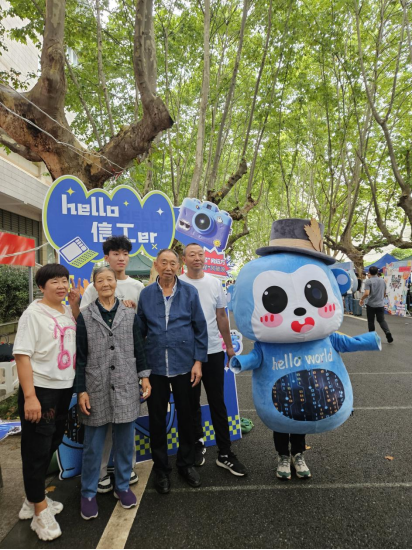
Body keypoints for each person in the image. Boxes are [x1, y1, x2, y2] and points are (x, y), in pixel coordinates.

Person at [75, 267, 151, 520]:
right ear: (94, 285)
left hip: (126, 384)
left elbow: (140, 348)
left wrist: (144, 377)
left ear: (115, 283)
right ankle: (88, 493)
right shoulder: (85, 316)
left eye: (109, 279)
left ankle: (122, 486)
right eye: (100, 280)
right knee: (93, 445)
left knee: (125, 441)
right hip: (95, 386)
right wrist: (81, 390)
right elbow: (80, 358)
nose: (106, 283)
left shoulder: (129, 314)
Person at [13, 264, 81, 541]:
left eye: (64, 280)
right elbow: (22, 355)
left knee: (52, 441)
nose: (62, 285)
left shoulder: (65, 311)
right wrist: (30, 397)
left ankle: (32, 498)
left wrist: (75, 307)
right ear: (42, 287)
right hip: (41, 390)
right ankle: (39, 512)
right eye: (54, 281)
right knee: (37, 449)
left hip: (64, 388)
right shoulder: (33, 314)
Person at [137, 249, 208, 494]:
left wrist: (198, 362)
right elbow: (140, 333)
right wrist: (143, 372)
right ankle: (161, 469)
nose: (168, 267)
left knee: (187, 418)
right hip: (155, 366)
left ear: (179, 266)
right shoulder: (146, 294)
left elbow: (200, 329)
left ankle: (185, 464)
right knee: (157, 420)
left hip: (184, 365)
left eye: (173, 263)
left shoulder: (189, 292)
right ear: (156, 265)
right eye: (164, 262)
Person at [80, 235, 144, 493]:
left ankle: (125, 471)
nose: (121, 258)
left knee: (125, 422)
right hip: (99, 367)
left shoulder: (137, 286)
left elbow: (141, 328)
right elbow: (85, 322)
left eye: (125, 253)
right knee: (101, 424)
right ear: (106, 257)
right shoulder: (91, 288)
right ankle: (100, 472)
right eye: (115, 253)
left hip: (125, 364)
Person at [180, 243, 246, 476]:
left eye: (201, 254)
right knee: (191, 403)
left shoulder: (215, 283)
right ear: (184, 259)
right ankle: (197, 444)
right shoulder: (178, 283)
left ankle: (225, 453)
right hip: (187, 354)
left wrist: (229, 347)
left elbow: (221, 316)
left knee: (217, 401)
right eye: (192, 255)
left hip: (214, 351)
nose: (197, 258)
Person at [360, 266, 393, 343]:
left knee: (371, 321)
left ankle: (372, 338)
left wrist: (361, 299)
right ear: (377, 272)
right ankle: (387, 332)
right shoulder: (382, 281)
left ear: (369, 272)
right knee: (381, 320)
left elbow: (367, 293)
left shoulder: (369, 281)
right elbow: (384, 293)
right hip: (380, 304)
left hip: (371, 304)